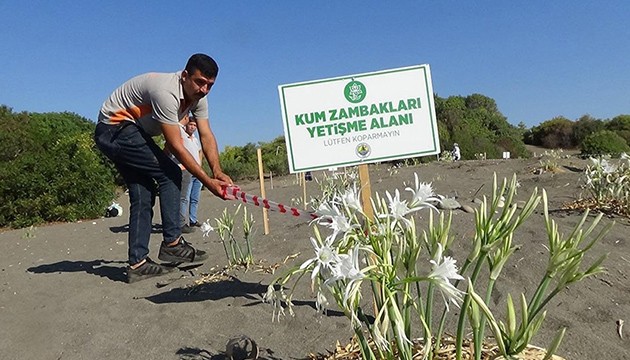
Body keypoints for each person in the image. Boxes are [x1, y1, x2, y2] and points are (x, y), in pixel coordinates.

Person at [94, 53, 233, 283]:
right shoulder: (166, 92)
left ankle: (137, 263)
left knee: (144, 190)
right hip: (114, 128)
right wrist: (209, 183)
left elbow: (206, 134)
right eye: (200, 82)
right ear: (185, 76)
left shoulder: (199, 98)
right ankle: (172, 243)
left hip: (131, 131)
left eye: (210, 85)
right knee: (170, 172)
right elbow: (177, 146)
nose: (204, 89)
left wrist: (217, 171)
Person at [168, 115, 202, 234]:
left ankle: (193, 219)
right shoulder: (181, 136)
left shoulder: (195, 140)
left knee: (195, 197)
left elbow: (199, 151)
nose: (193, 127)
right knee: (184, 198)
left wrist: (200, 165)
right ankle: (182, 223)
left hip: (197, 171)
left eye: (195, 126)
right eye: (191, 125)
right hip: (185, 170)